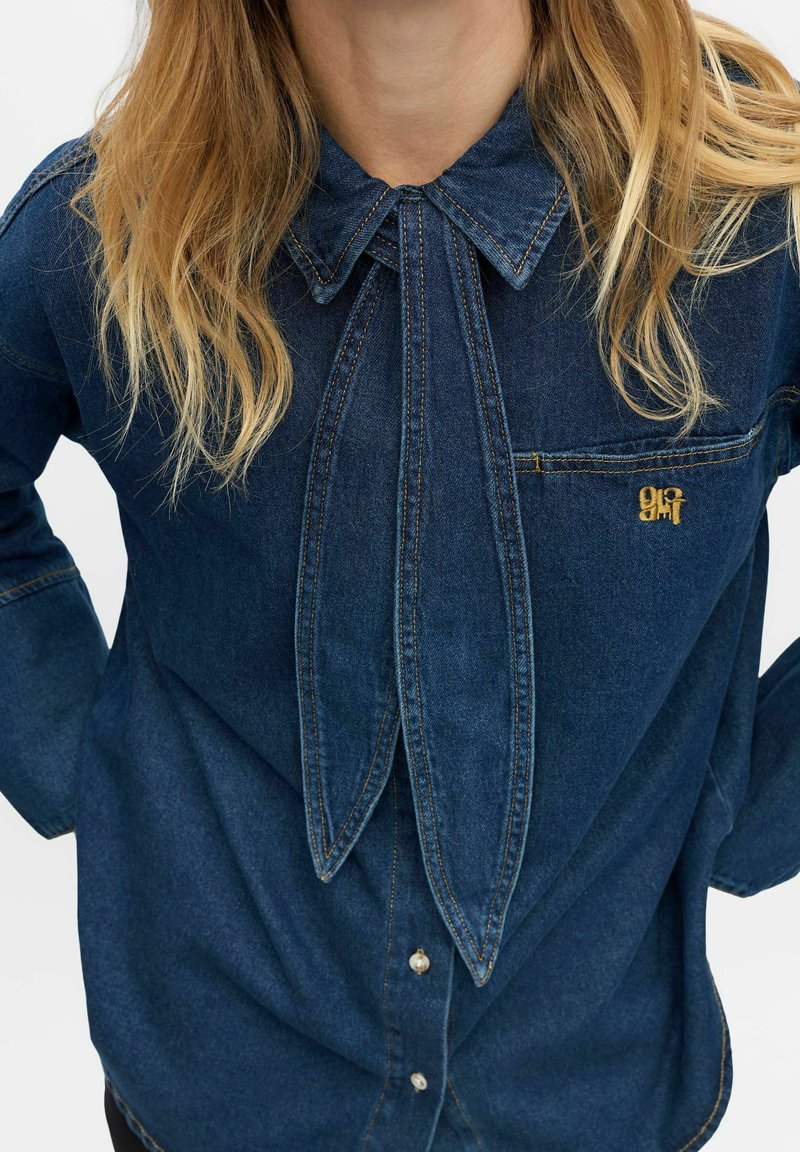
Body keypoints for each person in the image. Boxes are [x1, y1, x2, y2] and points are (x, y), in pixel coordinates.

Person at [2, 1, 800, 1149]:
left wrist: (739, 807)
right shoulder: (107, 230)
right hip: (211, 1096)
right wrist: (95, 768)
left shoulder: (750, 229)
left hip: (598, 1098)